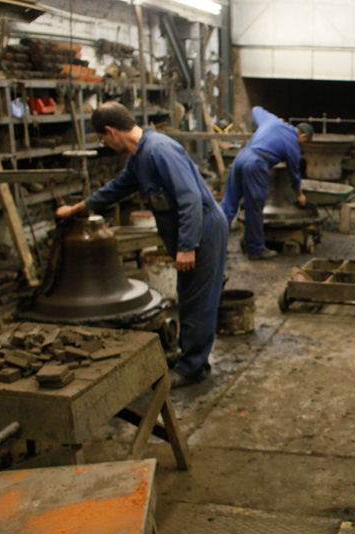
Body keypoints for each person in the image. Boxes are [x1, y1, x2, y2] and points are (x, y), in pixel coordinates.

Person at [55, 101, 228, 388]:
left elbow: (190, 198)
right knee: (189, 296)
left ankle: (192, 367)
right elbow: (115, 189)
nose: (105, 144)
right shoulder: (140, 157)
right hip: (191, 230)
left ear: (111, 131)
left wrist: (187, 245)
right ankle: (192, 356)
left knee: (199, 300)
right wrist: (77, 209)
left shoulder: (160, 150)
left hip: (203, 230)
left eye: (102, 139)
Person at [220, 107, 313, 259]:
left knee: (228, 204)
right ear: (303, 137)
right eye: (305, 142)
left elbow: (255, 109)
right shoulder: (293, 144)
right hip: (256, 164)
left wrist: (277, 119)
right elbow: (294, 175)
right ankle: (256, 249)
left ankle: (216, 247)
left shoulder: (272, 120)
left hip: (240, 159)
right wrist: (300, 195)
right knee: (254, 208)